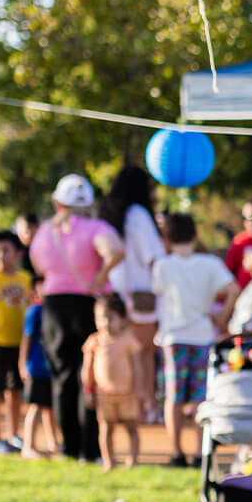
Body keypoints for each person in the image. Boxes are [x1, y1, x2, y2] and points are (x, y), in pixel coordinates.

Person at [29, 173, 125, 462]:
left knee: (63, 377)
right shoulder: (97, 227)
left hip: (54, 307)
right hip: (88, 307)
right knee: (90, 376)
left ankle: (68, 447)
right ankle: (91, 449)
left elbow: (37, 265)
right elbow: (116, 251)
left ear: (58, 203)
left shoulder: (45, 232)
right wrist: (99, 278)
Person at [151, 210, 235, 467]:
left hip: (173, 338)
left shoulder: (163, 265)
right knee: (200, 397)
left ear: (166, 238)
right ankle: (200, 453)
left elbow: (157, 292)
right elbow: (233, 289)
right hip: (202, 337)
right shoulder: (210, 264)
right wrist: (222, 318)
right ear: (196, 236)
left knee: (174, 398)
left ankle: (176, 452)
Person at [100, 165, 167, 423]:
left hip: (118, 293)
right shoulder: (138, 215)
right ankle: (147, 405)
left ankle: (135, 405)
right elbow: (153, 257)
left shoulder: (111, 215)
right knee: (144, 354)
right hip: (143, 295)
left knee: (128, 352)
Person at [0, 231, 33, 454]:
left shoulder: (25, 279)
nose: (1, 256)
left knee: (16, 390)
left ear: (17, 253)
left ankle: (14, 434)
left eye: (6, 250)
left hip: (20, 342)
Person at [81, 294, 141, 472]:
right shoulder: (94, 341)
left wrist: (139, 390)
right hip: (103, 394)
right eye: (100, 318)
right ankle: (109, 461)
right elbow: (87, 369)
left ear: (122, 319)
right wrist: (89, 390)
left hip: (127, 393)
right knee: (106, 428)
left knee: (131, 426)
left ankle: (133, 460)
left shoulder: (129, 341)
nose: (105, 323)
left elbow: (137, 368)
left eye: (110, 318)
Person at [17, 302, 59, 459]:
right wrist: (23, 365)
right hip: (36, 367)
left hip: (52, 368)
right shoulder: (35, 311)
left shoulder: (56, 309)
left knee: (50, 406)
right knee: (36, 406)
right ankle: (28, 446)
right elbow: (26, 338)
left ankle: (53, 442)